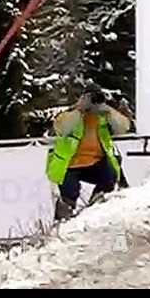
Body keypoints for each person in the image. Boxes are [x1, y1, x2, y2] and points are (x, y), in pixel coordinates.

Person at [45, 83, 132, 220]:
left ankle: (93, 212)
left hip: (95, 161)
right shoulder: (68, 114)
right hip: (69, 164)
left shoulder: (102, 117)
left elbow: (123, 128)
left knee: (109, 179)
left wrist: (107, 110)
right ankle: (62, 221)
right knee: (69, 193)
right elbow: (64, 129)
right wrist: (80, 109)